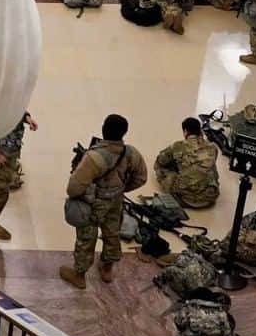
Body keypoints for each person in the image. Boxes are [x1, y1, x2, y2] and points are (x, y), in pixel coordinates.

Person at [60, 114, 147, 289]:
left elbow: (74, 188)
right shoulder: (131, 153)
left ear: (103, 129)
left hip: (94, 205)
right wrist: (121, 189)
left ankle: (79, 274)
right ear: (124, 133)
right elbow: (141, 178)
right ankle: (107, 268)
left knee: (87, 237)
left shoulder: (94, 157)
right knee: (112, 233)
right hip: (115, 201)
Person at [0, 112, 38, 242]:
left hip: (8, 149)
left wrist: (26, 118)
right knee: (0, 188)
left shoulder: (6, 95)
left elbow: (13, 107)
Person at [154, 117, 219, 208]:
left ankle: (179, 193)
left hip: (186, 198)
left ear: (185, 131)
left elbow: (161, 160)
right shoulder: (212, 147)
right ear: (200, 131)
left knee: (160, 168)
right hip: (210, 198)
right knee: (209, 167)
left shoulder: (177, 146)